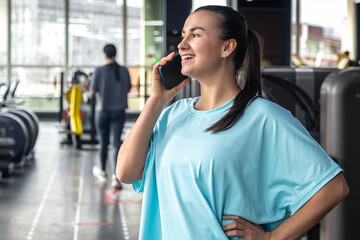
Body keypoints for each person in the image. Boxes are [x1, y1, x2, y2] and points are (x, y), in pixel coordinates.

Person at [116, 5, 349, 239]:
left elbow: (334, 188)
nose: (182, 44)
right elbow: (126, 173)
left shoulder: (263, 117)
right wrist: (156, 101)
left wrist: (271, 238)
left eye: (195, 35)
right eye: (183, 35)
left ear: (227, 47)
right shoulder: (172, 115)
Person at [91, 43, 131, 190]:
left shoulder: (99, 71)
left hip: (103, 112)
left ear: (104, 54)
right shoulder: (123, 70)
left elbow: (93, 90)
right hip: (119, 111)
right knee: (116, 145)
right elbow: (127, 88)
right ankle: (116, 177)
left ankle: (102, 171)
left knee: (103, 143)